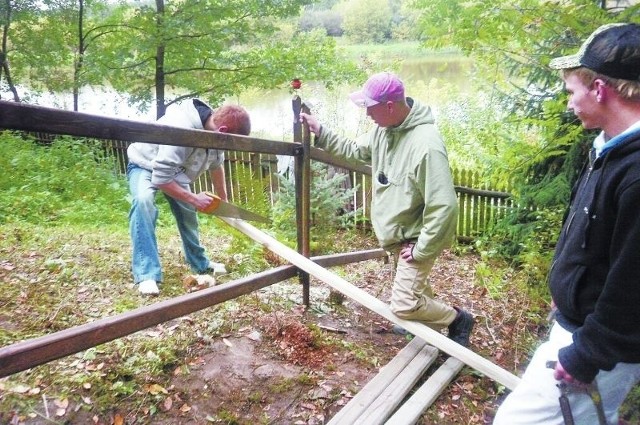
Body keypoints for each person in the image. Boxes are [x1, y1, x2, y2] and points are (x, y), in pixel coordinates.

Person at [493, 23, 640, 424]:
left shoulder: (635, 171)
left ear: (599, 90)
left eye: (572, 92)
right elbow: (596, 242)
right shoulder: (610, 150)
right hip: (583, 333)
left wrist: (588, 354)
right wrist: (569, 289)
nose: (568, 103)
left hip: (597, 350)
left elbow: (633, 283)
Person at [300, 72, 475, 347]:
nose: (367, 113)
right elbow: (355, 150)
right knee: (416, 293)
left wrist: (422, 249)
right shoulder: (385, 131)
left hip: (415, 239)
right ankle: (425, 333)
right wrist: (320, 130)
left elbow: (444, 205)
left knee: (404, 304)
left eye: (371, 107)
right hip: (397, 236)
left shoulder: (426, 145)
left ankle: (457, 320)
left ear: (390, 105)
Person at [126, 100, 251, 295]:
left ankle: (200, 263)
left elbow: (216, 166)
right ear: (224, 130)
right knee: (143, 202)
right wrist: (194, 198)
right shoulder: (181, 129)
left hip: (173, 171)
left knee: (188, 214)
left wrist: (223, 199)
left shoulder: (216, 132)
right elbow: (160, 178)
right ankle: (147, 274)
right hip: (144, 163)